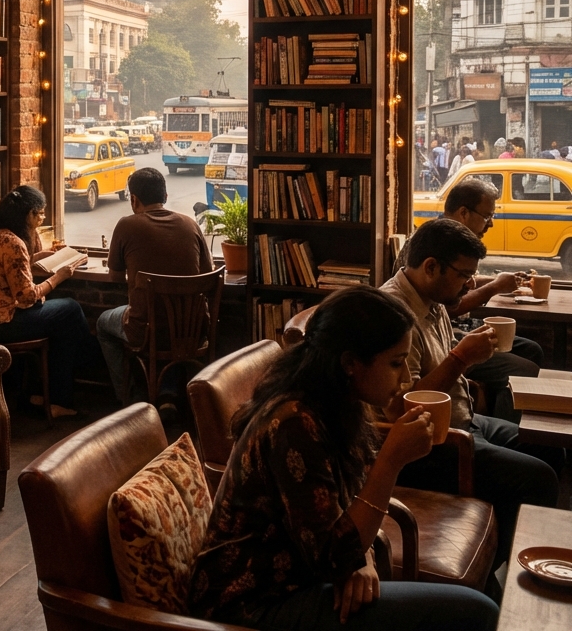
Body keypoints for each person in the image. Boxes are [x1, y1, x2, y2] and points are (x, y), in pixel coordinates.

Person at [189, 287, 498, 631]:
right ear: (350, 363)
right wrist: (391, 461)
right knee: (474, 613)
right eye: (396, 363)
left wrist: (360, 559)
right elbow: (333, 557)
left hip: (302, 577)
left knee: (473, 610)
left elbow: (343, 507)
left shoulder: (338, 401)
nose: (406, 379)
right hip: (250, 602)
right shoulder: (294, 423)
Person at [380, 218, 559, 567]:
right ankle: (499, 573)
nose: (471, 283)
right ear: (431, 267)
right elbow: (401, 407)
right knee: (538, 479)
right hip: (434, 443)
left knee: (548, 443)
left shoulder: (431, 300)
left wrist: (473, 353)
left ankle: (518, 555)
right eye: (464, 275)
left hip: (467, 421)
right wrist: (462, 358)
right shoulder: (394, 313)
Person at [394, 178, 543, 419]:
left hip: (449, 336)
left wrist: (492, 282)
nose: (491, 224)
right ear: (463, 212)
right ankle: (505, 425)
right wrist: (493, 287)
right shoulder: (430, 247)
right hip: (443, 339)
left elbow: (455, 289)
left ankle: (497, 423)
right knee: (524, 369)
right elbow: (442, 305)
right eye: (487, 216)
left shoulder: (452, 245)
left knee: (531, 348)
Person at [0, 185, 96, 418]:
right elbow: (26, 296)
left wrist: (35, 257)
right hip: (5, 324)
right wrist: (59, 276)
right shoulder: (13, 242)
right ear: (29, 215)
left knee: (63, 327)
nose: (43, 218)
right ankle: (70, 385)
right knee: (70, 309)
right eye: (40, 213)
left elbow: (3, 268)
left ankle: (43, 394)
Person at [96, 167, 213, 403]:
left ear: (134, 199)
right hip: (194, 331)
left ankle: (128, 400)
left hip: (146, 331)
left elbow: (115, 278)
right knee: (170, 325)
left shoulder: (126, 225)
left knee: (102, 324)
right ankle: (167, 393)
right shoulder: (190, 224)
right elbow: (208, 273)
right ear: (166, 197)